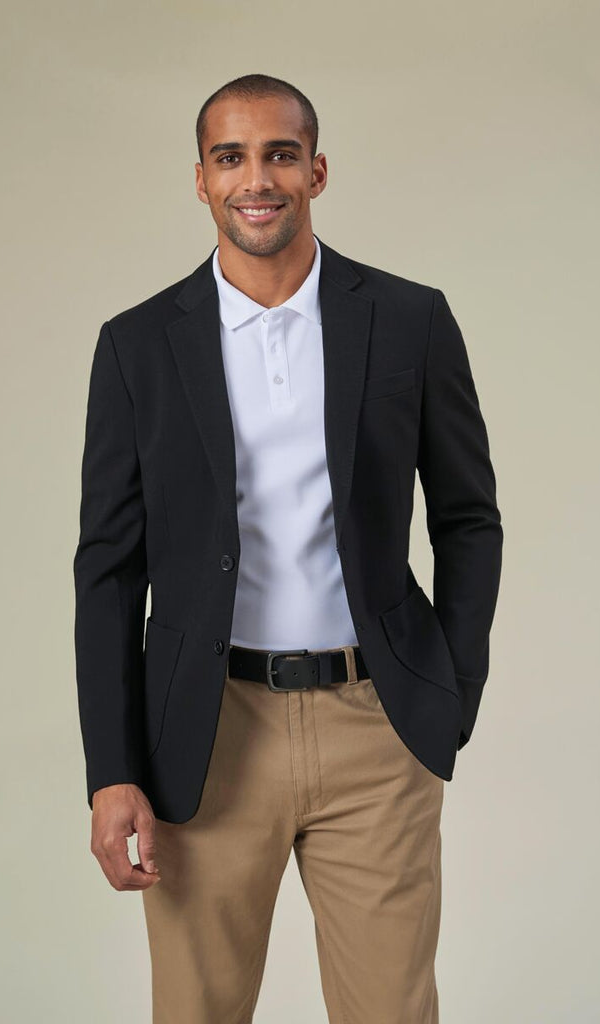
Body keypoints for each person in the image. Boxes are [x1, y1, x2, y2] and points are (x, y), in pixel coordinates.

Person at [73, 72, 503, 1024]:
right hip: (204, 737)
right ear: (201, 179)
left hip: (375, 726)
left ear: (317, 170)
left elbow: (469, 518)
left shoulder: (409, 320)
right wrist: (111, 768)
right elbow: (107, 571)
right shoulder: (138, 347)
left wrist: (451, 690)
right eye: (230, 157)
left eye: (279, 154)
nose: (256, 178)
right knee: (198, 1012)